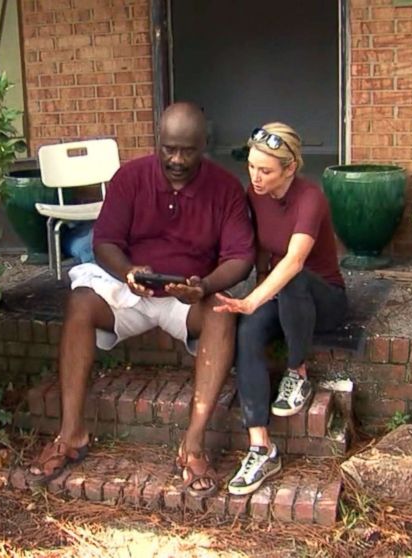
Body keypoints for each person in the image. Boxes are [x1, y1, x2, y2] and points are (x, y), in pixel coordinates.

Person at [26, 102, 254, 496]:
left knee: (221, 311)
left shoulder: (226, 188)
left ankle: (193, 444)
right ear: (157, 141)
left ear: (204, 146)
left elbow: (241, 257)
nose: (177, 159)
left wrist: (205, 286)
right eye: (169, 148)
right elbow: (105, 242)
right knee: (80, 302)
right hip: (131, 288)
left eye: (188, 150)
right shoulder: (130, 177)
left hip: (187, 294)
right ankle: (71, 434)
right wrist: (128, 272)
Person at [213, 123, 347, 496]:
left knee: (290, 280)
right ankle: (261, 447)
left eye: (266, 170)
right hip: (281, 293)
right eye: (252, 167)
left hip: (324, 299)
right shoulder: (254, 194)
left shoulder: (311, 198)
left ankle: (297, 372)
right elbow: (258, 250)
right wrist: (252, 297)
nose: (256, 176)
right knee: (249, 329)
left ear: (290, 168)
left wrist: (255, 297)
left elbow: (293, 262)